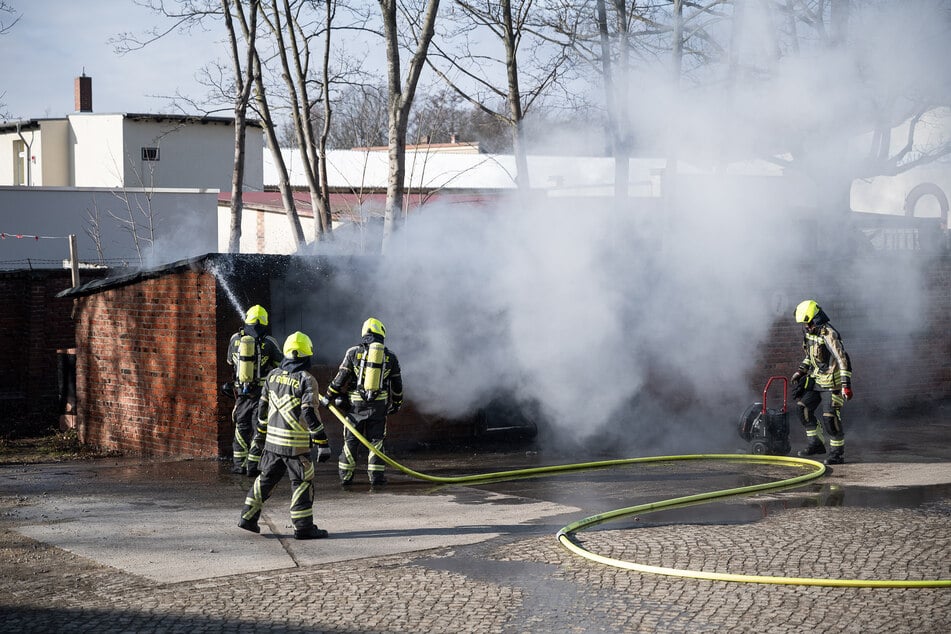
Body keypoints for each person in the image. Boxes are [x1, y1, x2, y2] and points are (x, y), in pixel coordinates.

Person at [238, 331, 333, 540]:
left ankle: (248, 517)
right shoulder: (307, 379)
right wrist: (322, 442)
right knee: (302, 483)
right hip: (296, 448)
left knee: (266, 480)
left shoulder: (272, 376)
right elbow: (309, 411)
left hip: (272, 445)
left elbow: (262, 411)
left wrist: (259, 440)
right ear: (307, 355)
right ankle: (304, 527)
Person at [322, 317, 403, 486]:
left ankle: (346, 477)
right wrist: (396, 404)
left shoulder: (352, 352)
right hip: (379, 407)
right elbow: (397, 384)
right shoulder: (390, 357)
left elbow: (340, 378)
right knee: (376, 441)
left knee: (351, 441)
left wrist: (328, 396)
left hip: (355, 407)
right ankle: (376, 478)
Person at [790, 300, 854, 465]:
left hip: (833, 383)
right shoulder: (810, 334)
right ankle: (816, 444)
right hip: (817, 380)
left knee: (830, 418)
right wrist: (800, 371)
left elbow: (842, 359)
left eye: (808, 322)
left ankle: (837, 454)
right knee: (802, 409)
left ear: (816, 319)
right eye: (804, 324)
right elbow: (810, 357)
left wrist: (846, 386)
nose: (806, 326)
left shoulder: (829, 334)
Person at [226, 305, 282, 475]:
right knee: (259, 429)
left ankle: (238, 465)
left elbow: (230, 362)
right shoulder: (269, 342)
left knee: (241, 428)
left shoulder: (235, 339)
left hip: (242, 393)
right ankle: (253, 466)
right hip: (261, 394)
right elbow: (280, 365)